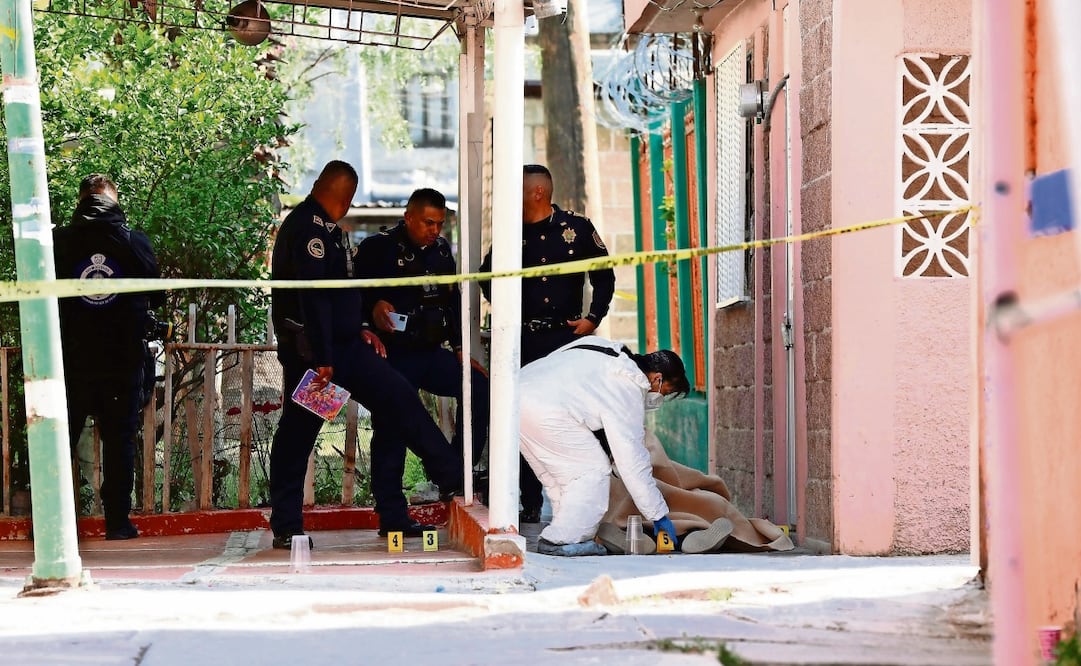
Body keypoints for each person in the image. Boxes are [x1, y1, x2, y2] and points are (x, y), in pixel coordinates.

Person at [270, 161, 462, 548]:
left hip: (348, 348)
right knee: (300, 433)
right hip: (317, 359)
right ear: (346, 197)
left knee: (399, 398)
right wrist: (323, 357)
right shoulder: (307, 229)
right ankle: (287, 526)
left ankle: (453, 479)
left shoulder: (330, 230)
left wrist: (360, 326)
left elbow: (343, 292)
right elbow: (313, 298)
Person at [478, 164, 616, 523]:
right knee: (521, 417)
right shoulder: (511, 233)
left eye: (519, 189)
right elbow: (484, 277)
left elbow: (604, 276)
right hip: (523, 340)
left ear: (537, 192)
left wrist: (593, 317)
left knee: (575, 417)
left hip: (564, 340)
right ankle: (529, 500)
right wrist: (507, 311)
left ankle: (588, 495)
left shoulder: (577, 228)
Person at [53, 174, 164, 540]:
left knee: (58, 439)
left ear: (81, 200)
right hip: (121, 359)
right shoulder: (133, 241)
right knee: (119, 443)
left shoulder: (58, 243)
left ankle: (49, 522)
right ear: (114, 201)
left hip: (69, 360)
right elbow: (158, 294)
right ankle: (117, 522)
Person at [355, 188, 490, 474]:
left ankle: (459, 472)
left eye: (440, 223)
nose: (435, 230)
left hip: (430, 351)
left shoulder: (441, 250)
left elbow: (452, 301)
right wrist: (371, 312)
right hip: (393, 354)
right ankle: (390, 500)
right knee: (391, 425)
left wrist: (459, 347)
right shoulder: (377, 247)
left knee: (478, 386)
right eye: (429, 223)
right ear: (408, 217)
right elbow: (352, 295)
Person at [517, 335, 688, 557]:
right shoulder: (627, 386)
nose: (659, 397)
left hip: (516, 396)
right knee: (593, 471)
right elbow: (632, 462)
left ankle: (564, 531)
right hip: (548, 410)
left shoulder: (604, 348)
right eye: (664, 391)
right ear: (657, 378)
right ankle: (562, 540)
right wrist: (658, 515)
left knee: (559, 477)